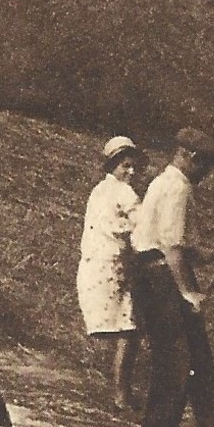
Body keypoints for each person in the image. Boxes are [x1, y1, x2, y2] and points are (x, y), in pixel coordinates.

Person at [129, 127, 214, 427]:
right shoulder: (178, 189)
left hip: (158, 275)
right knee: (176, 360)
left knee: (198, 359)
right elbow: (173, 250)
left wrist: (213, 255)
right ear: (191, 158)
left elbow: (180, 246)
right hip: (162, 280)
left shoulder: (165, 183)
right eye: (205, 167)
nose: (206, 175)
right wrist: (189, 293)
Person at [77, 135, 145, 410]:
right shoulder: (123, 193)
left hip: (95, 265)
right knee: (129, 329)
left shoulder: (99, 190)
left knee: (121, 328)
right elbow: (143, 224)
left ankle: (113, 388)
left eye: (134, 167)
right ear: (112, 165)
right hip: (112, 266)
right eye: (125, 166)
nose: (130, 172)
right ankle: (121, 393)